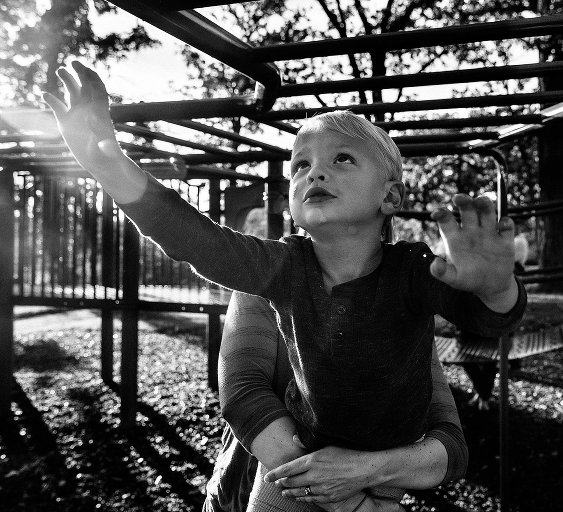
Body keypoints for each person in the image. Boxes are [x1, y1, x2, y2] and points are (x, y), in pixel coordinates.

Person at [44, 61, 527, 511]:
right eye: (301, 164)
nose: (315, 171)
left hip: (389, 468)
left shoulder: (411, 271)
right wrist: (108, 166)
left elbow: (485, 320)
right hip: (298, 460)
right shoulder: (283, 266)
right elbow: (198, 241)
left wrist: (495, 287)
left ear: (390, 197)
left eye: (342, 159)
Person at [205, 291, 469, 512]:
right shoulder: (265, 280)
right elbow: (244, 398)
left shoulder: (407, 309)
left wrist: (368, 471)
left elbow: (451, 447)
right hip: (243, 495)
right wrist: (355, 505)